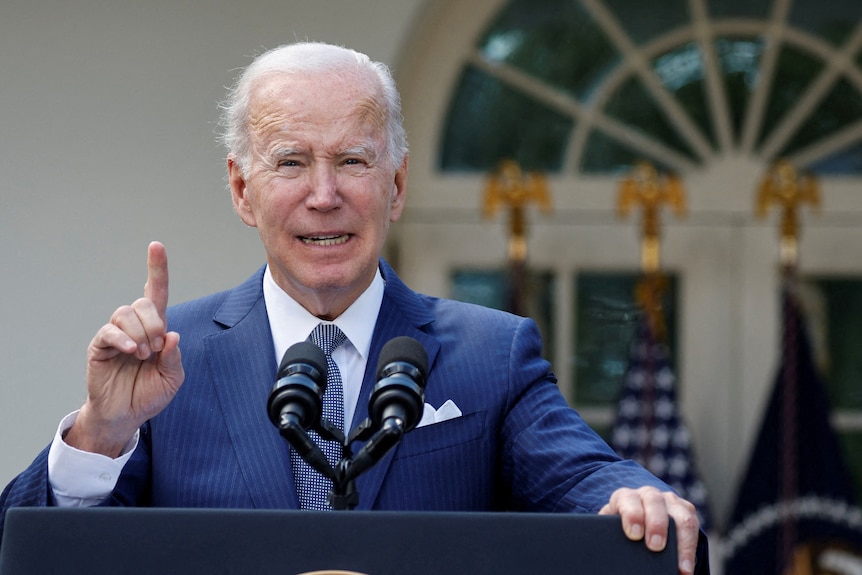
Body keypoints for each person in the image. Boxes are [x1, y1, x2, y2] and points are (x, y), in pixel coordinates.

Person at [0, 41, 706, 574]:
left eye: (353, 161)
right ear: (243, 190)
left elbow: (585, 475)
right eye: (291, 161)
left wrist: (635, 494)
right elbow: (30, 547)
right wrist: (101, 434)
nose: (324, 193)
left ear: (396, 185)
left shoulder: (492, 352)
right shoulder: (170, 359)